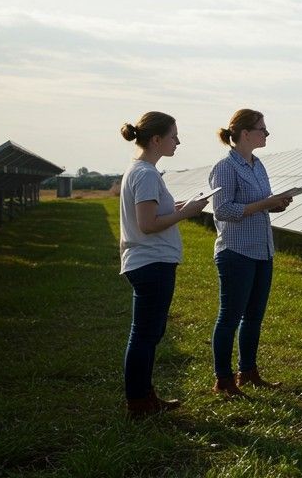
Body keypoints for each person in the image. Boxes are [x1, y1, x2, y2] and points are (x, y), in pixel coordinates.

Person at [118, 111, 209, 418]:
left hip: (147, 262)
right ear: (156, 140)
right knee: (145, 334)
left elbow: (154, 213)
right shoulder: (145, 173)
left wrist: (185, 206)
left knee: (147, 332)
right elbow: (147, 224)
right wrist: (186, 213)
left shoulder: (141, 170)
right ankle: (139, 401)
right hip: (151, 261)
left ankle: (143, 396)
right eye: (173, 136)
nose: (178, 141)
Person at [207, 109, 294, 396]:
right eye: (262, 130)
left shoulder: (258, 165)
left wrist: (274, 204)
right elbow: (222, 210)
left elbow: (258, 203)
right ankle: (223, 379)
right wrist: (264, 203)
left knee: (254, 316)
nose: (266, 134)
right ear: (245, 133)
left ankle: (248, 371)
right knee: (230, 316)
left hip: (261, 249)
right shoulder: (225, 167)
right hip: (236, 251)